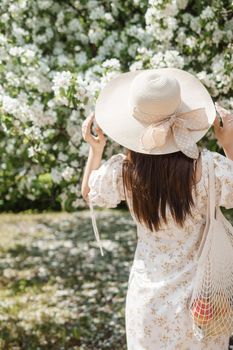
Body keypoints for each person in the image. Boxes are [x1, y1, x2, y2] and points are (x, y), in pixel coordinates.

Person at [81, 68, 233, 349]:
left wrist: (95, 149)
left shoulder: (125, 172)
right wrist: (229, 143)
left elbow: (89, 193)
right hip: (202, 302)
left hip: (148, 304)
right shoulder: (209, 168)